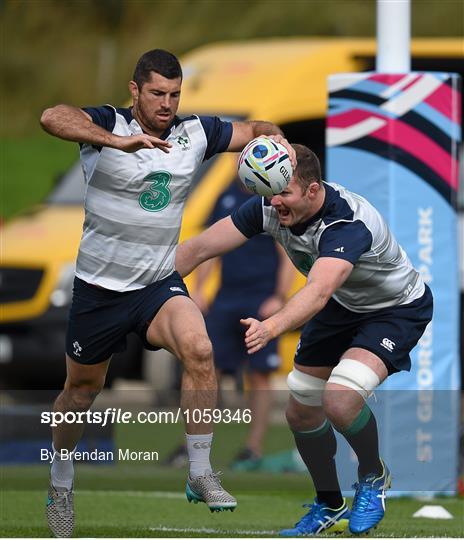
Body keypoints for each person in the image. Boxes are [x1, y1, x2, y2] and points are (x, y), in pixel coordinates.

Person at [39, 48, 295, 538]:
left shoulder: (194, 133)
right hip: (100, 289)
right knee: (81, 391)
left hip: (156, 283)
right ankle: (61, 482)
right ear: (134, 90)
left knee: (201, 350)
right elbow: (53, 116)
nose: (166, 103)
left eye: (174, 95)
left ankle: (199, 471)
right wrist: (116, 142)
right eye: (157, 93)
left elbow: (256, 130)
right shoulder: (106, 126)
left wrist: (273, 144)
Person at [175, 144, 433, 536]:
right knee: (300, 412)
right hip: (344, 306)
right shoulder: (269, 205)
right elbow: (200, 248)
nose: (274, 201)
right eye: (270, 191)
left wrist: (271, 326)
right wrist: (142, 290)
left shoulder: (346, 223)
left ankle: (372, 476)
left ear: (313, 190)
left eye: (284, 192)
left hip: (394, 309)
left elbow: (317, 291)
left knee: (341, 400)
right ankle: (329, 502)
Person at [165, 178, 295, 471]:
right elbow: (211, 246)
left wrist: (278, 297)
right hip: (226, 299)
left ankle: (253, 449)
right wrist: (198, 289)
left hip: (261, 300)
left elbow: (286, 252)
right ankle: (192, 447)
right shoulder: (225, 196)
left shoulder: (273, 201)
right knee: (204, 367)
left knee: (259, 375)